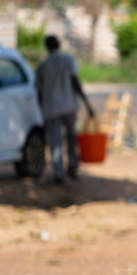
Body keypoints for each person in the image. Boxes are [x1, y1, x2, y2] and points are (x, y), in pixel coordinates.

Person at [35, 35, 95, 184]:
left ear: (47, 47)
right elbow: (76, 83)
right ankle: (73, 167)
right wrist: (87, 104)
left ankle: (59, 173)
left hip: (52, 108)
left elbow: (39, 92)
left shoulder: (43, 66)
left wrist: (40, 112)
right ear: (59, 45)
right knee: (71, 138)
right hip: (69, 106)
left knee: (55, 142)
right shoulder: (68, 60)